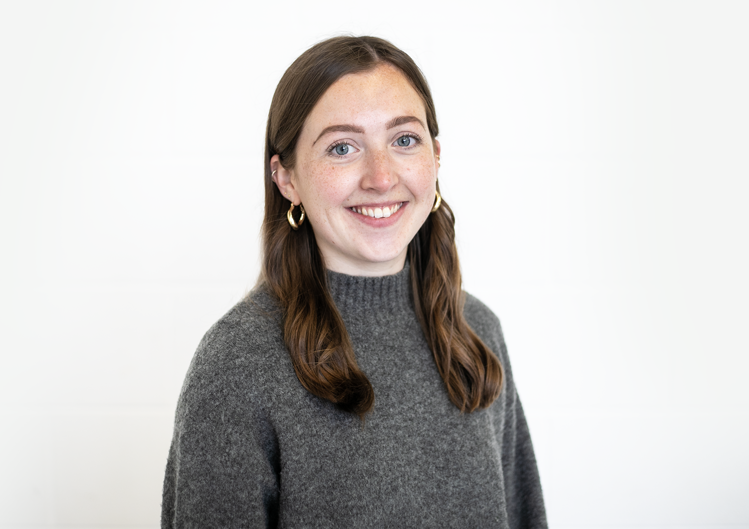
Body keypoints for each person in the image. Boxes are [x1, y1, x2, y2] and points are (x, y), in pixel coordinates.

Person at [161, 36, 547, 528]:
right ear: (287, 179)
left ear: (436, 156)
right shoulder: (237, 365)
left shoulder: (476, 332)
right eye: (343, 148)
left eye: (405, 140)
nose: (381, 177)